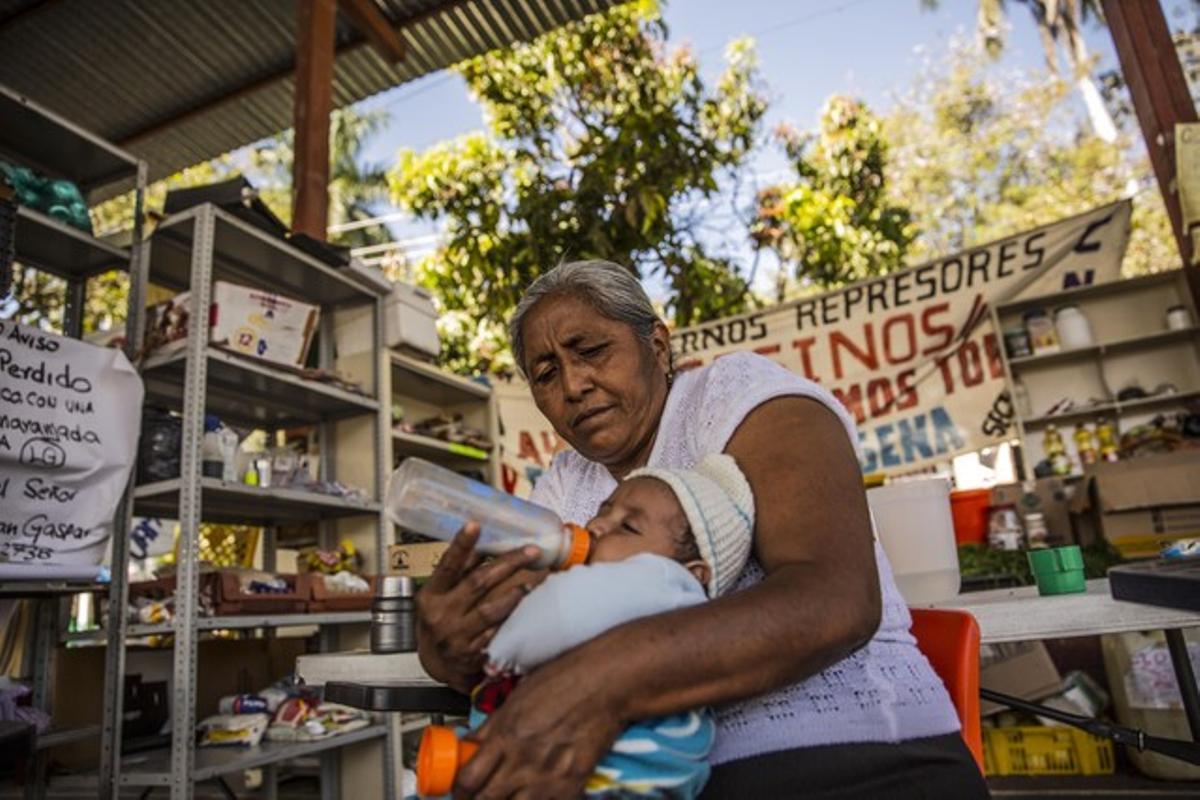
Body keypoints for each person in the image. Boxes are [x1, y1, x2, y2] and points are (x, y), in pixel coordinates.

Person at [417, 260, 990, 798]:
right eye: (545, 374)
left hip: (858, 761)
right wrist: (451, 649)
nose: (573, 385)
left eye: (590, 351)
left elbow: (836, 597)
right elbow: (519, 638)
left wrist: (602, 679)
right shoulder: (566, 482)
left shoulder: (731, 396)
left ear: (657, 344)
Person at [422, 454, 755, 799]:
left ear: (694, 573)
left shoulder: (669, 586)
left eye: (628, 526)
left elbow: (559, 614)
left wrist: (495, 651)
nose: (596, 527)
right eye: (602, 512)